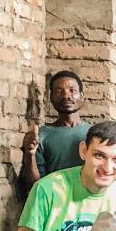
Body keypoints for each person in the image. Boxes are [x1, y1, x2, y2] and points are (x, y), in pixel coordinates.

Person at [17, 70, 91, 200]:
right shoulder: (42, 135)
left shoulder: (93, 134)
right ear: (51, 97)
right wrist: (30, 154)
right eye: (59, 91)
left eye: (72, 90)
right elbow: (34, 184)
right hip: (54, 203)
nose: (66, 96)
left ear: (82, 96)